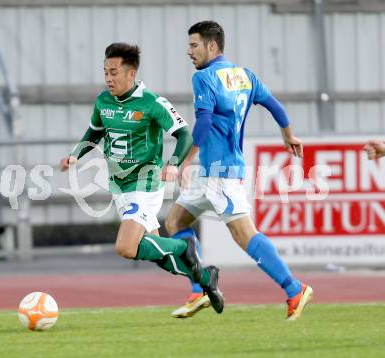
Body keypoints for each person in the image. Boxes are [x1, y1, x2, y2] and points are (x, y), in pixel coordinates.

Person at [59, 42, 224, 315]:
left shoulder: (152, 103)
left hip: (145, 184)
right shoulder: (103, 101)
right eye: (105, 72)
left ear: (131, 74)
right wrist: (75, 155)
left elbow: (184, 133)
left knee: (125, 246)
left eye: (114, 72)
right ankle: (206, 278)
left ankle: (186, 245)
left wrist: (173, 163)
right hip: (120, 187)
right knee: (156, 254)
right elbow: (94, 133)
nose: (109, 78)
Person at [165, 21, 313, 320]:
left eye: (194, 45)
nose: (189, 51)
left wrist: (187, 159)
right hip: (215, 172)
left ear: (212, 45)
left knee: (244, 234)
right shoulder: (245, 76)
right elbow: (275, 106)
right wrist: (288, 134)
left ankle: (294, 289)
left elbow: (204, 122)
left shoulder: (204, 77)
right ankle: (199, 289)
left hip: (220, 173)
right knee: (175, 221)